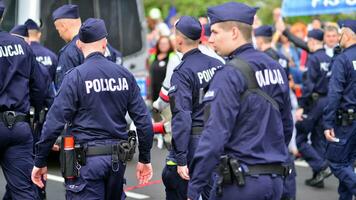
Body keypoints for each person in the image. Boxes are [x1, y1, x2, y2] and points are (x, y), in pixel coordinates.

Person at [31, 18, 154, 199]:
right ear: (105, 42)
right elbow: (144, 121)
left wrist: (40, 160)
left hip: (86, 163)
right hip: (116, 161)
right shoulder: (124, 75)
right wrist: (145, 158)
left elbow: (54, 122)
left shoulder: (75, 77)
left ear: (79, 44)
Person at [187, 2, 293, 200]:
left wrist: (194, 187)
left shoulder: (229, 74)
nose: (210, 39)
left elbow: (214, 134)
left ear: (234, 32)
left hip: (242, 183)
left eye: (215, 32)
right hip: (275, 181)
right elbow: (286, 125)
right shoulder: (275, 67)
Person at [162, 16, 223, 200]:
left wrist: (181, 158)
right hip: (219, 136)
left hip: (195, 141)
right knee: (214, 191)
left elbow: (182, 115)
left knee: (181, 187)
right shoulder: (218, 64)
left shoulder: (182, 72)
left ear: (179, 39)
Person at [0, 2, 48, 199]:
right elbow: (39, 86)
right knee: (24, 192)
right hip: (18, 126)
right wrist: (37, 114)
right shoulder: (21, 45)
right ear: (2, 18)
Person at [254, 25, 296, 200]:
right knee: (285, 159)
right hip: (282, 106)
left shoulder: (263, 59)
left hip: (268, 111)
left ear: (259, 39)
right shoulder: (281, 56)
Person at [295, 29, 332, 188]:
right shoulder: (329, 58)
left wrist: (302, 106)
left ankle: (321, 167)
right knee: (318, 139)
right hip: (327, 101)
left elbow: (308, 86)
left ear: (312, 41)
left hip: (313, 102)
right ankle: (318, 178)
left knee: (301, 139)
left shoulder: (314, 59)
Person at [53, 4, 122, 89]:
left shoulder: (69, 52)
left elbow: (65, 91)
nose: (59, 34)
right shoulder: (103, 44)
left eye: (58, 29)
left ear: (64, 26)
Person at [323, 19, 356, 200]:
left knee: (337, 163)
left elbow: (335, 93)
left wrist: (328, 123)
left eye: (340, 34)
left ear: (349, 35)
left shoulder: (343, 59)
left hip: (345, 123)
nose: (339, 38)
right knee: (348, 163)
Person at [149, 35, 174, 102]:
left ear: (169, 45)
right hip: (153, 93)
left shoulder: (173, 57)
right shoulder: (153, 57)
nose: (163, 45)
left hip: (166, 95)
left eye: (165, 43)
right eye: (161, 43)